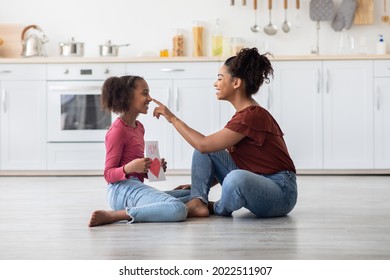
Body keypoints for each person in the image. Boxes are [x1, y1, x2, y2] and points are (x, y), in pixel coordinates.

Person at [153, 47, 297, 218]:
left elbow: (204, 144)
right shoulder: (244, 115)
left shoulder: (252, 116)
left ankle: (216, 207)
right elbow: (214, 154)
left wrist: (171, 118)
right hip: (255, 182)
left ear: (236, 83)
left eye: (220, 78)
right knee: (205, 154)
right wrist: (200, 186)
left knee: (234, 176)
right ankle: (198, 200)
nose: (215, 84)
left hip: (281, 193)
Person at [88, 75, 189, 227]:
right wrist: (130, 167)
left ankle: (169, 204)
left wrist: (153, 169)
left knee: (191, 194)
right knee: (178, 208)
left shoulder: (139, 127)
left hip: (135, 185)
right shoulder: (117, 131)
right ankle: (114, 215)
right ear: (127, 97)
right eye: (145, 93)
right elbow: (108, 175)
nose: (149, 98)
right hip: (120, 190)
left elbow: (137, 172)